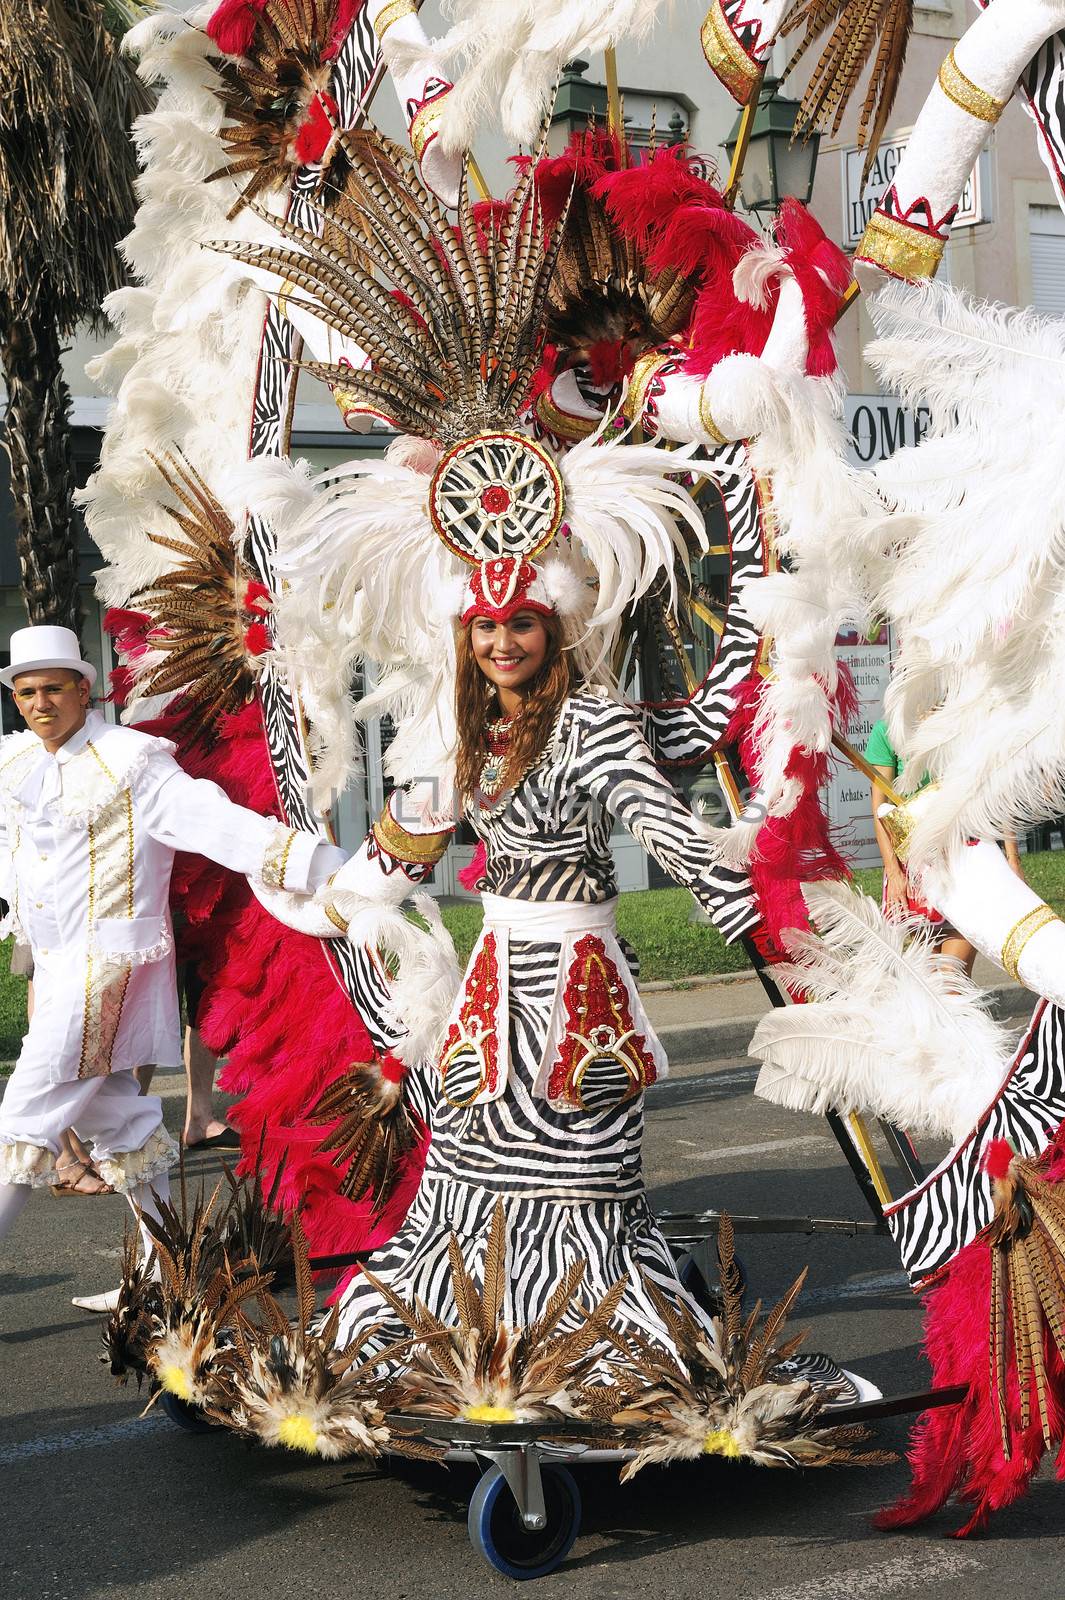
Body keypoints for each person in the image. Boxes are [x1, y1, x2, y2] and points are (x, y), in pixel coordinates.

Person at [326, 569, 872, 1401]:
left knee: (579, 1187)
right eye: (483, 627)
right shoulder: (468, 728)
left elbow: (669, 832)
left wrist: (773, 936)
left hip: (575, 1004)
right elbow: (403, 847)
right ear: (463, 637)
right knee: (465, 1185)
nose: (501, 643)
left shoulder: (591, 721)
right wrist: (294, 878)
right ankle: (473, 1349)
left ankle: (590, 1354)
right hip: (490, 997)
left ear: (554, 630)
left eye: (520, 623)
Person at [0, 625, 344, 1310]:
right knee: (119, 1122)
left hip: (110, 967)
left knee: (22, 1118)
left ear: (84, 689)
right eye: (26, 691)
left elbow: (213, 823)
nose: (40, 704)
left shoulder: (132, 760)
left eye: (53, 689)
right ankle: (172, 1269)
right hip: (59, 965)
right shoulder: (16, 764)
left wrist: (320, 867)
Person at [866, 715, 1024, 978]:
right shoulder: (888, 729)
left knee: (952, 981)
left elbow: (998, 792)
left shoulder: (966, 719)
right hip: (915, 867)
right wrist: (893, 871)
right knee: (930, 983)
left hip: (965, 859)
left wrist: (1012, 860)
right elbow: (880, 808)